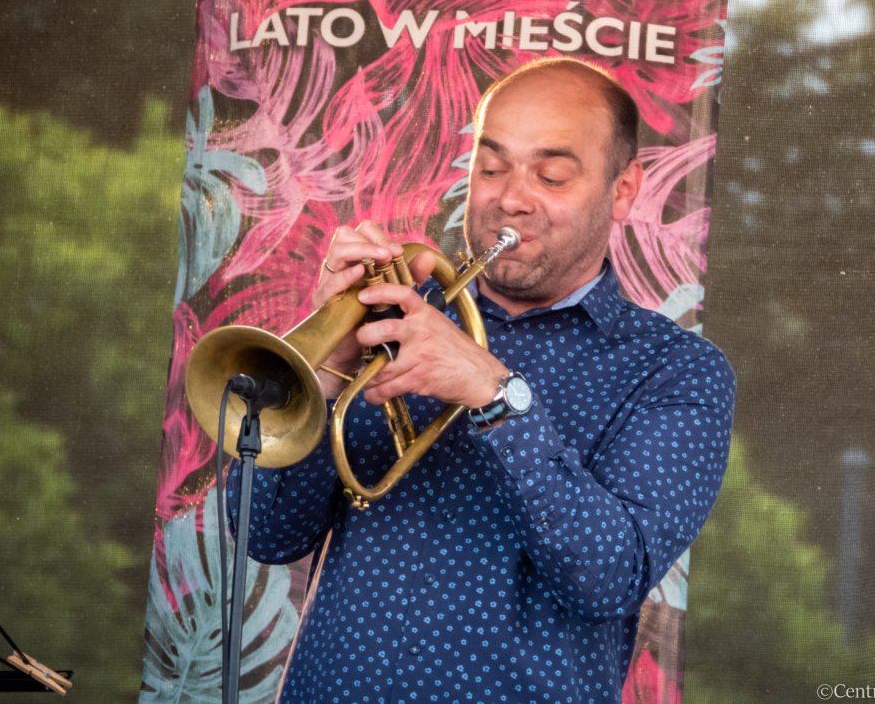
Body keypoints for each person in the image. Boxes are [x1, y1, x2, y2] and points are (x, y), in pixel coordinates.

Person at [228, 57, 735, 703]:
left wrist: (497, 394)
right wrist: (323, 371)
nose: (510, 196)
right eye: (491, 167)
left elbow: (608, 576)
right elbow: (260, 532)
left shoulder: (675, 371)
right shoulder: (395, 317)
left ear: (625, 188)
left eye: (551, 174)